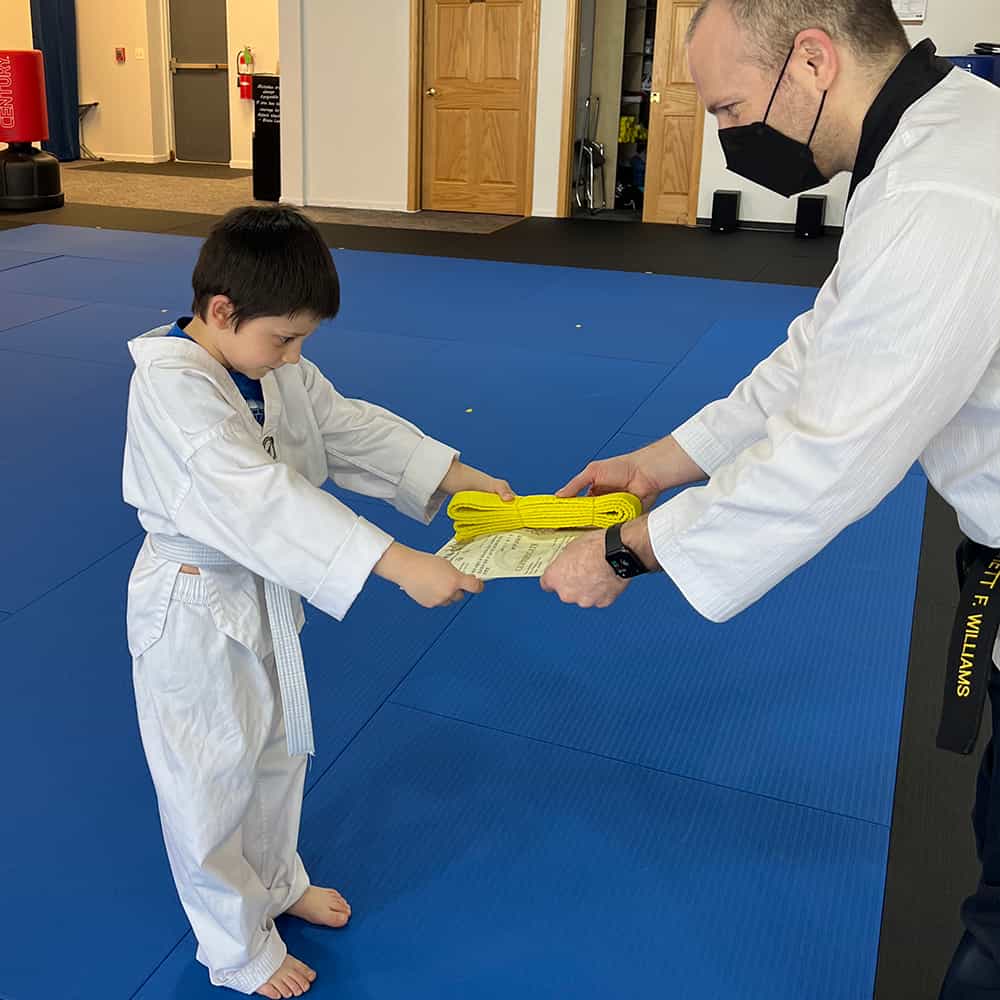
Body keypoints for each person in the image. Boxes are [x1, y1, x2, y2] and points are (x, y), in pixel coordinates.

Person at [539, 1, 1000, 994]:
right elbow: (822, 346)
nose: (727, 136)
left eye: (732, 107)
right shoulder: (935, 135)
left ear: (814, 59)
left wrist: (629, 549)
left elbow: (827, 457)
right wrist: (666, 457)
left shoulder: (944, 197)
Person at [122, 205, 513, 998]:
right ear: (221, 311)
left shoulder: (267, 364)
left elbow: (339, 428)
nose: (294, 357)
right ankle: (235, 949)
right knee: (209, 778)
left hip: (258, 594)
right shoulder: (172, 389)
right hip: (193, 610)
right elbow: (260, 499)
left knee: (274, 755)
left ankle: (274, 881)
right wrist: (398, 563)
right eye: (285, 339)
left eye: (303, 341)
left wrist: (451, 474)